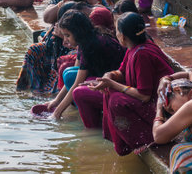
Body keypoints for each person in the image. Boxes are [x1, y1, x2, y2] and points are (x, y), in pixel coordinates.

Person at [72, 12, 173, 155]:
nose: (115, 33)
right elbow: (121, 72)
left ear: (123, 37)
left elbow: (144, 96)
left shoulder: (142, 54)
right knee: (93, 86)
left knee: (116, 100)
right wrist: (109, 76)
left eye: (117, 31)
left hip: (160, 108)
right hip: (151, 101)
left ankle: (145, 139)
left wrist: (112, 84)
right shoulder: (134, 48)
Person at [45, 10, 126, 119]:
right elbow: (76, 71)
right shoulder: (86, 39)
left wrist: (57, 113)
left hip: (117, 84)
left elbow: (77, 82)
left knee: (77, 88)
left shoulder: (91, 44)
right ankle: (77, 108)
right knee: (69, 73)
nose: (65, 40)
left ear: (78, 32)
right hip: (102, 77)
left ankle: (89, 118)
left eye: (68, 35)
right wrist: (56, 101)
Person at [16, 1, 76, 93]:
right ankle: (25, 88)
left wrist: (64, 36)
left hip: (70, 55)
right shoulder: (58, 22)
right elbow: (50, 42)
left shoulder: (79, 23)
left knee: (65, 61)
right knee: (34, 49)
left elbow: (79, 47)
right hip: (56, 52)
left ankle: (52, 94)